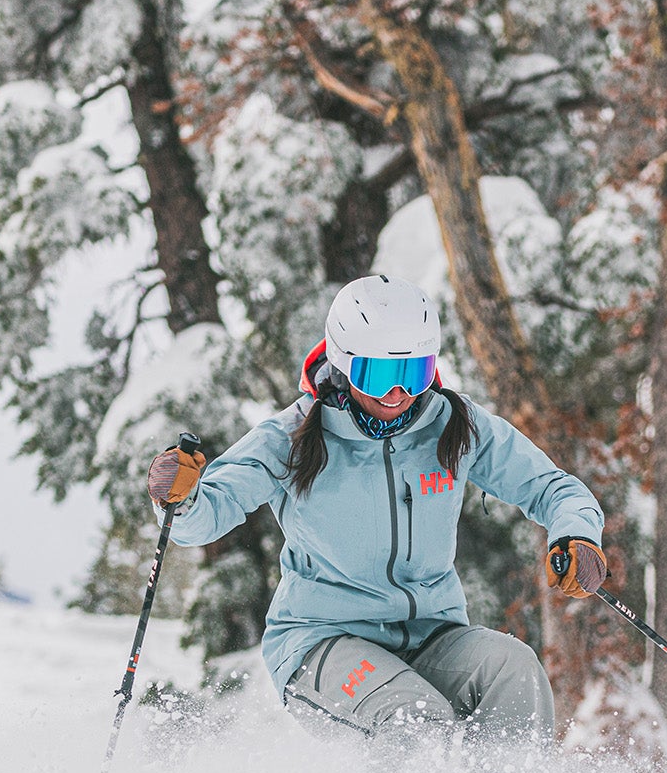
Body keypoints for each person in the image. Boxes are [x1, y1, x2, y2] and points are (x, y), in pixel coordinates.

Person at [145, 275, 609, 743]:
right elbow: (207, 515)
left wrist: (576, 534)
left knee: (516, 672)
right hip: (323, 640)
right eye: (379, 375)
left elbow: (552, 487)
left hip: (431, 633)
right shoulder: (290, 437)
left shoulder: (455, 426)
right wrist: (179, 500)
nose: (396, 394)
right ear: (343, 365)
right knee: (415, 721)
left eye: (413, 375)